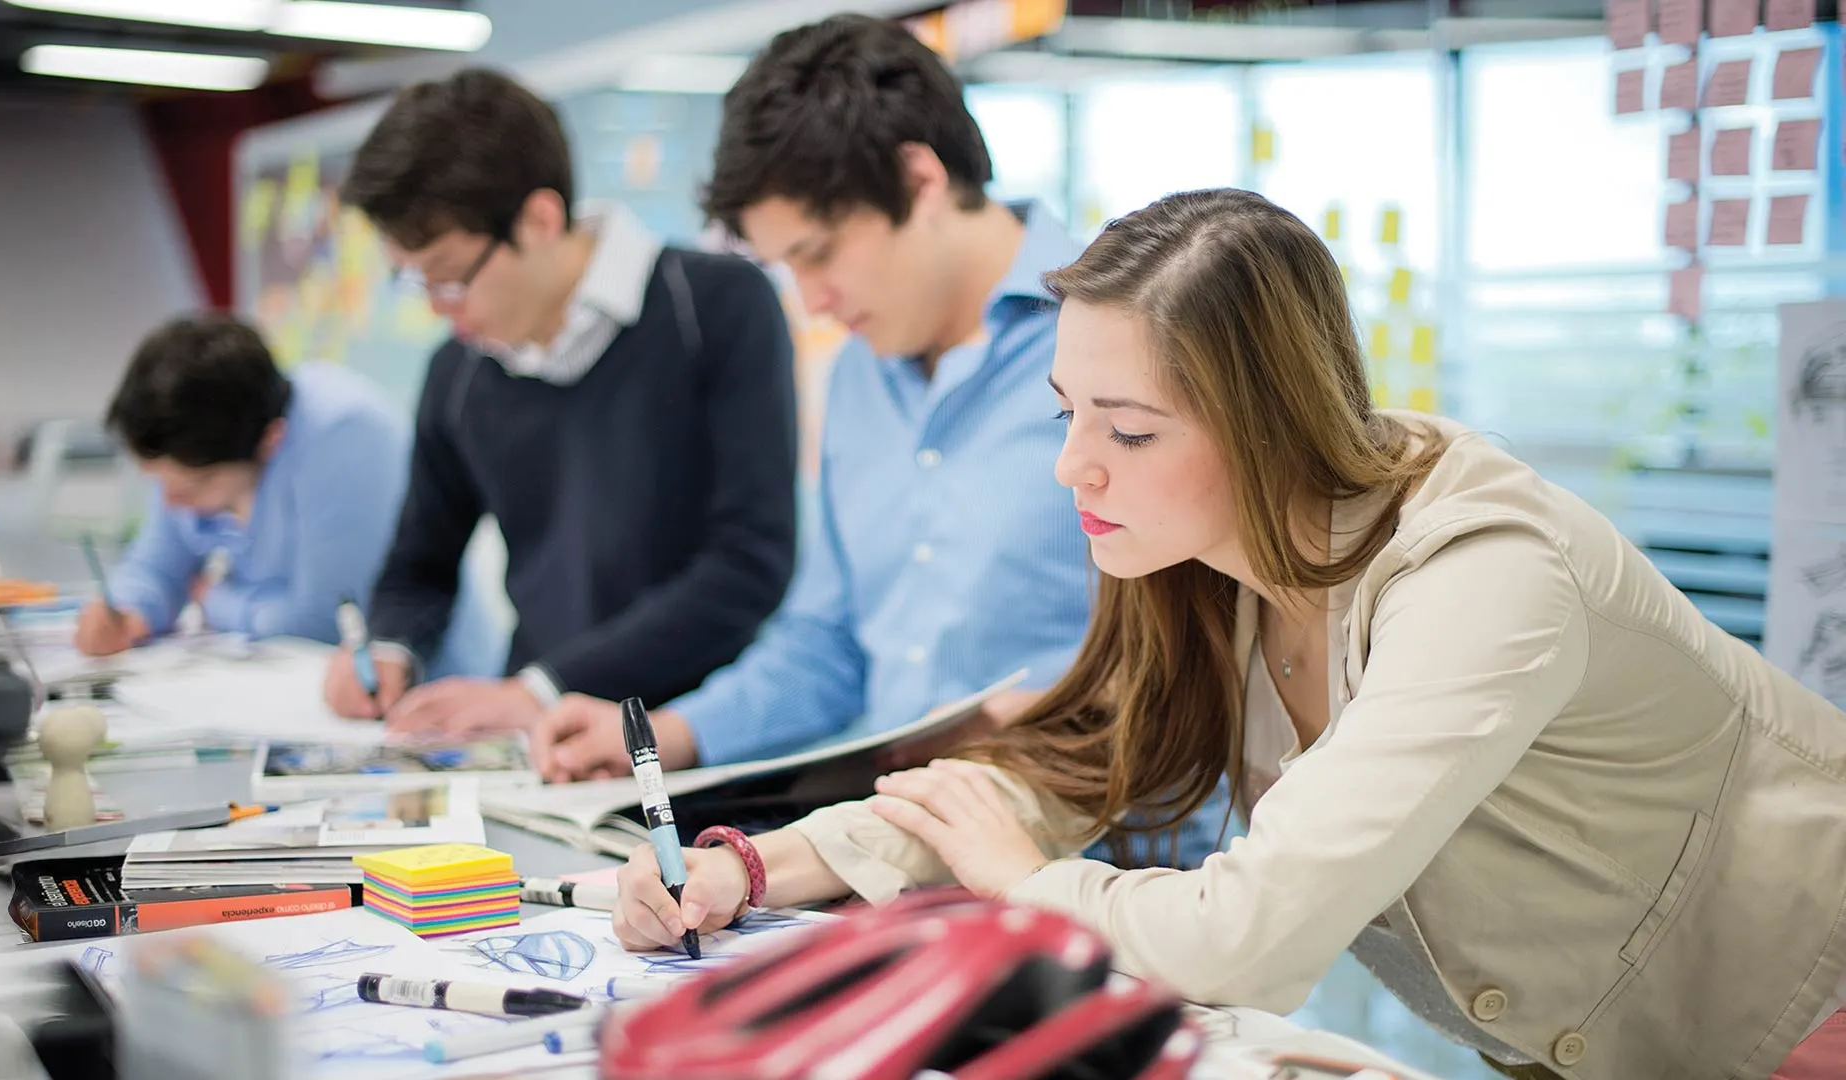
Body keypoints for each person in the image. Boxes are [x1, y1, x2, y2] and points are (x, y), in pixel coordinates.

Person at [608, 189, 1846, 1079]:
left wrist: (1027, 887)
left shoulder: (1486, 578)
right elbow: (1066, 766)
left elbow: (1244, 939)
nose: (1072, 466)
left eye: (1128, 430)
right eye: (1066, 413)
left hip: (1808, 999)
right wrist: (751, 869)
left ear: (1267, 422)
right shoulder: (1201, 555)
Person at [526, 14, 1096, 782]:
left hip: (1107, 863)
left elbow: (1210, 664)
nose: (812, 300)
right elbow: (827, 644)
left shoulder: (1119, 338)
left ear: (919, 181)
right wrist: (665, 736)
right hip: (905, 851)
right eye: (783, 267)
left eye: (817, 255)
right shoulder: (858, 375)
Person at [323, 67, 798, 733]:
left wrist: (546, 688)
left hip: (701, 736)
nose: (438, 308)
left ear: (539, 218)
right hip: (540, 743)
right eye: (415, 281)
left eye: (450, 278)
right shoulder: (458, 369)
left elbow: (749, 564)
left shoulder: (716, 307)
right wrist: (389, 647)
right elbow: (418, 567)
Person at [77, 314, 408, 655]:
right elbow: (156, 566)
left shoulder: (345, 435)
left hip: (417, 684)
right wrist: (127, 611)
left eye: (194, 486)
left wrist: (216, 600)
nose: (172, 502)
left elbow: (323, 622)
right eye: (158, 480)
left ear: (270, 440)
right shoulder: (187, 438)